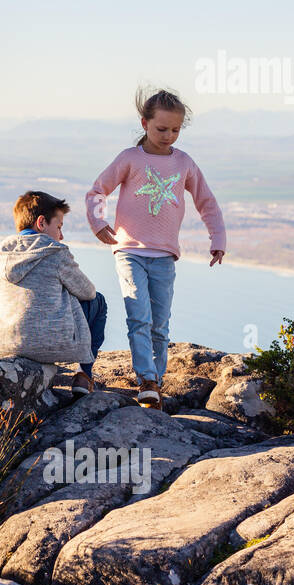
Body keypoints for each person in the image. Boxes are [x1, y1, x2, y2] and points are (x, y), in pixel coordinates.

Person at [86, 86, 226, 408]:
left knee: (160, 324)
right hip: (129, 251)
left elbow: (207, 202)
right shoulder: (130, 158)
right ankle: (146, 380)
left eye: (175, 130)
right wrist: (99, 223)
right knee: (139, 316)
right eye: (162, 129)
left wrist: (217, 239)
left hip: (164, 255)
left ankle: (156, 383)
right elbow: (97, 191)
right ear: (145, 122)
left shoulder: (184, 163)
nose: (168, 136)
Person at [0, 191, 107, 395]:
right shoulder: (56, 252)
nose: (61, 236)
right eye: (59, 227)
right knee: (99, 301)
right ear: (41, 223)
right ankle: (83, 375)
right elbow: (88, 292)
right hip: (46, 343)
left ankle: (1, 341)